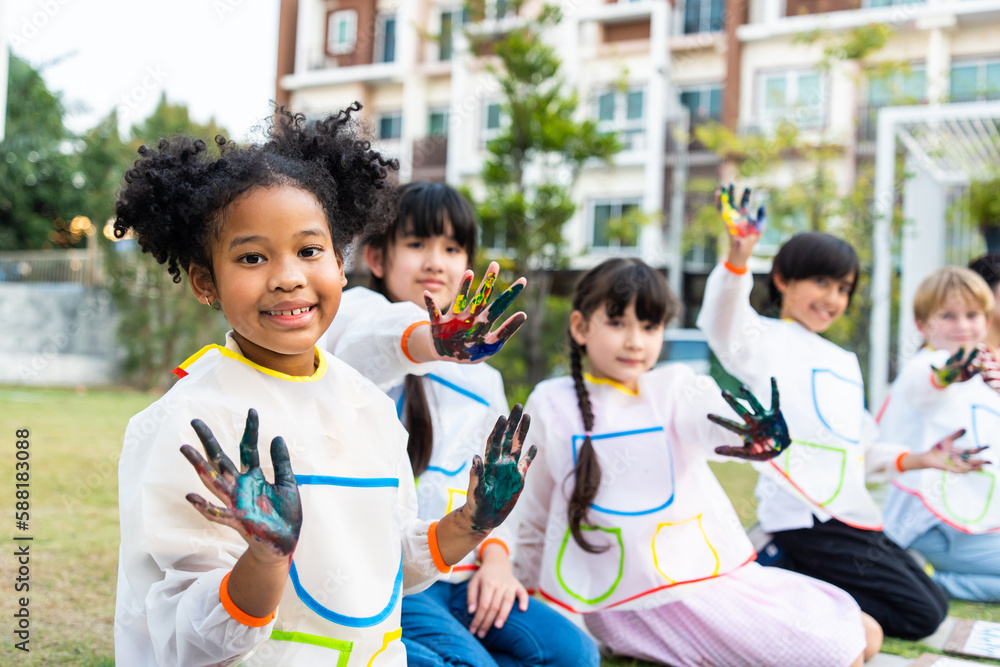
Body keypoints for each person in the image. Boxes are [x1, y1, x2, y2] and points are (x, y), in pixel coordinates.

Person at [113, 105, 536, 667]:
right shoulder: (185, 422)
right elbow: (183, 641)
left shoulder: (368, 407)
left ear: (340, 263)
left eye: (309, 251)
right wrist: (265, 560)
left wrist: (473, 522)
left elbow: (386, 571)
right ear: (204, 282)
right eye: (252, 256)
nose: (288, 276)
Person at [513, 257, 880, 667]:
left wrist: (754, 435)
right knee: (837, 654)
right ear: (580, 327)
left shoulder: (674, 386)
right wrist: (520, 586)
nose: (635, 341)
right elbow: (533, 511)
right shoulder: (551, 402)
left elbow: (716, 428)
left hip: (703, 574)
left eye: (649, 326)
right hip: (634, 598)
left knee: (867, 632)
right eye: (617, 323)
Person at [322, 181, 598, 667]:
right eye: (417, 244)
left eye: (452, 248)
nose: (435, 262)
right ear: (378, 259)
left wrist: (496, 563)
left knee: (574, 653)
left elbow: (496, 486)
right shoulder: (356, 322)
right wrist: (433, 340)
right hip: (395, 576)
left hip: (464, 573)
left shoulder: (484, 379)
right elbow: (384, 339)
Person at [697, 186, 978, 640]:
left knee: (936, 601)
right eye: (822, 282)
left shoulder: (845, 362)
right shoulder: (764, 339)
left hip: (851, 514)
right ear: (784, 280)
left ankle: (787, 575)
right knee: (922, 615)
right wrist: (738, 256)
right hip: (804, 518)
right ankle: (780, 577)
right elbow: (721, 322)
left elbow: (862, 448)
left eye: (844, 288)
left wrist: (923, 457)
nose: (833, 297)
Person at [878, 266, 997, 602]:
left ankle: (928, 578)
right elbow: (928, 385)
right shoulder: (927, 366)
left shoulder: (982, 378)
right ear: (922, 325)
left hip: (969, 522)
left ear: (986, 321)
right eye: (948, 315)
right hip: (929, 524)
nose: (962, 325)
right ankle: (927, 579)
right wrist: (946, 375)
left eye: (972, 315)